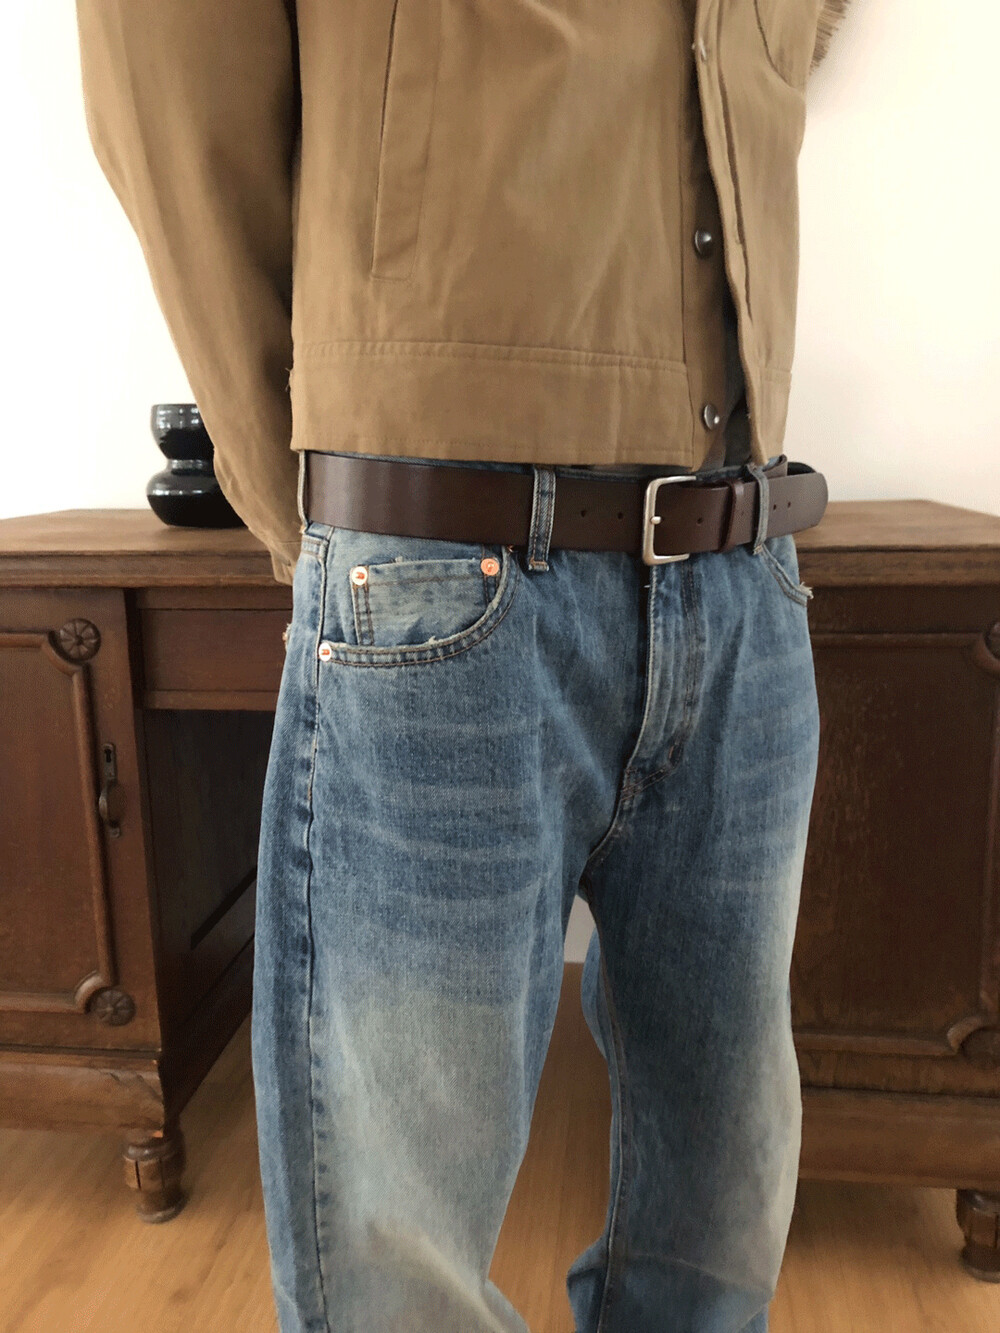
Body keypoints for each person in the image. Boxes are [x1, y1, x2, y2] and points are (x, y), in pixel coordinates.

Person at [75, 2, 851, 1329]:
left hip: (743, 559)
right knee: (397, 1249)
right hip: (445, 559)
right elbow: (170, 83)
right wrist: (335, 508)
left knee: (724, 1195)